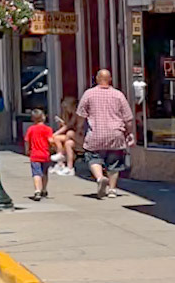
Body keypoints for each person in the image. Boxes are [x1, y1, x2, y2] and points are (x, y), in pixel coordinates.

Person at [75, 69, 134, 199]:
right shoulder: (118, 95)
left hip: (95, 134)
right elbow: (128, 118)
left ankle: (100, 178)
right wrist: (129, 132)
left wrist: (79, 128)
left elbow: (81, 114)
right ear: (110, 79)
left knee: (93, 157)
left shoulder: (89, 94)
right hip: (115, 134)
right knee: (114, 163)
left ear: (97, 79)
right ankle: (112, 189)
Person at [25, 108, 54, 201]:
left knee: (36, 173)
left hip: (34, 155)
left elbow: (27, 141)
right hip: (45, 154)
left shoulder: (31, 129)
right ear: (43, 117)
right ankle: (44, 189)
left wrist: (27, 150)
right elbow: (50, 140)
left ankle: (37, 190)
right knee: (44, 173)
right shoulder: (48, 129)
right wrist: (53, 148)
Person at [50, 96, 78, 175]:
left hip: (76, 136)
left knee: (57, 137)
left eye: (66, 107)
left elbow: (68, 126)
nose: (65, 108)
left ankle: (61, 156)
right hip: (70, 136)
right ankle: (60, 161)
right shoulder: (67, 114)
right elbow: (65, 125)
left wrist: (55, 133)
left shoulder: (76, 114)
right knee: (54, 139)